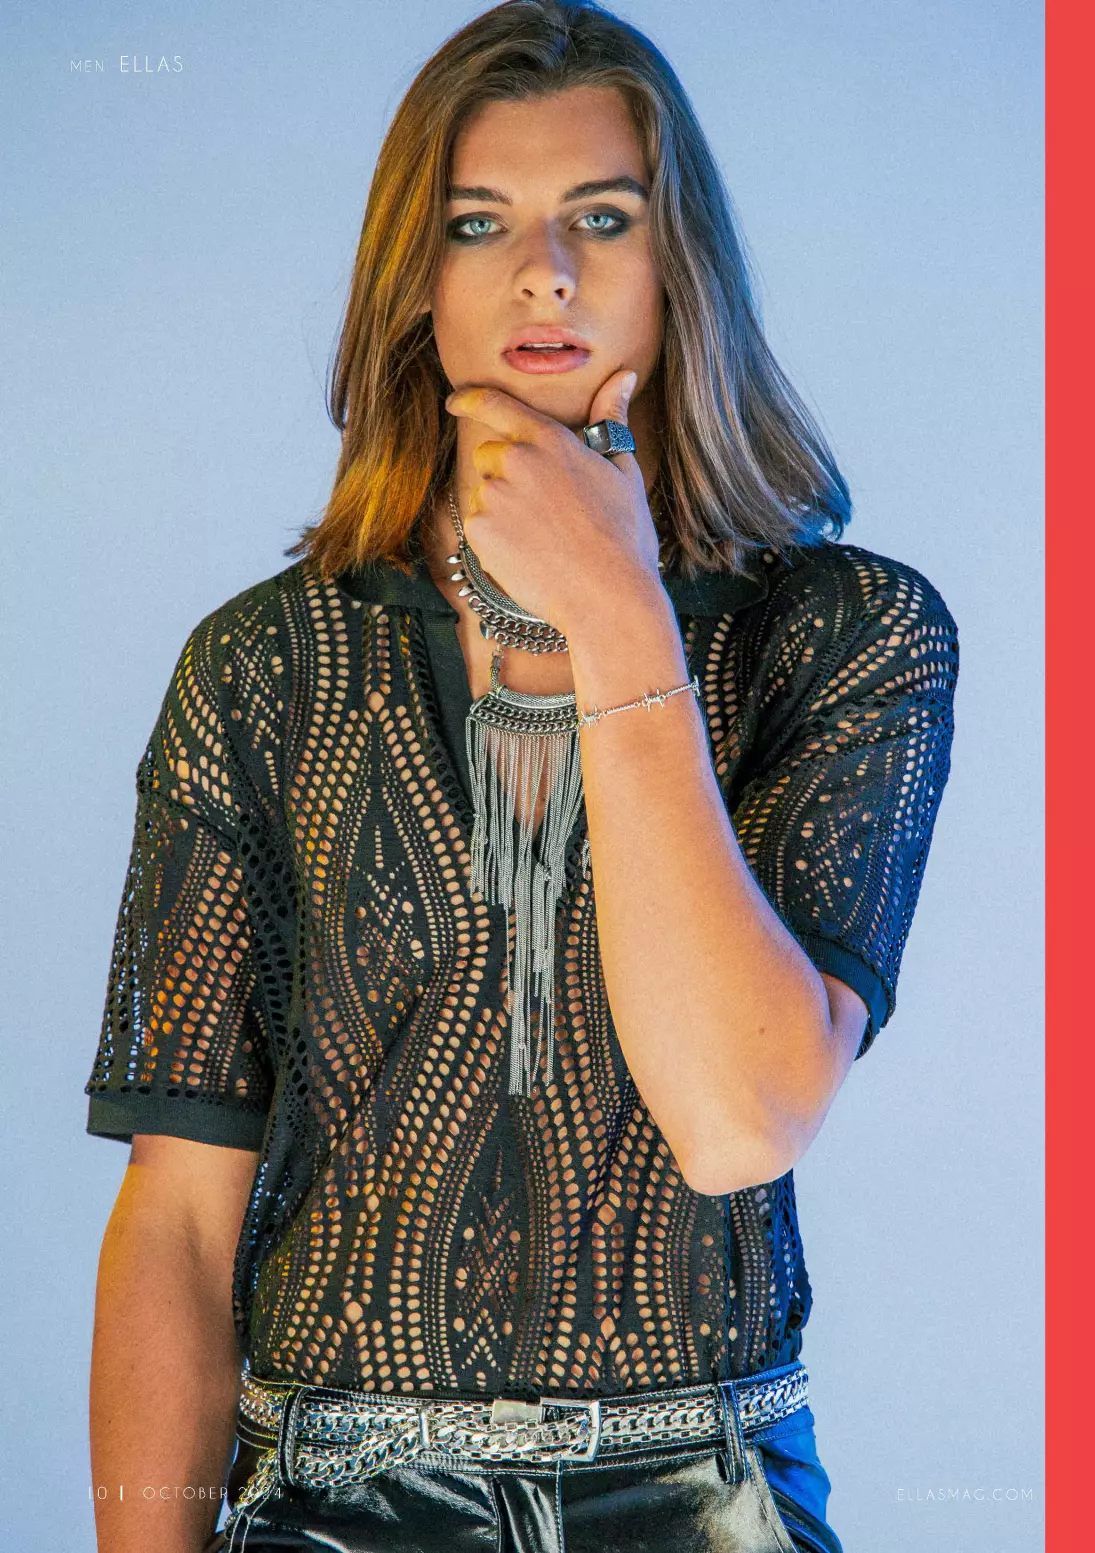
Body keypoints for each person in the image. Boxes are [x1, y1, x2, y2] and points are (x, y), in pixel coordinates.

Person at [84, 3, 959, 1550]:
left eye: (601, 218)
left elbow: (737, 1119)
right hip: (337, 1497)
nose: (543, 271)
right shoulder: (265, 670)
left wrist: (615, 609)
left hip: (711, 1493)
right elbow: (180, 1218)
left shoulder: (847, 636)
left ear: (680, 265)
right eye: (478, 223)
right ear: (415, 281)